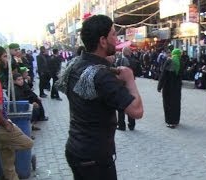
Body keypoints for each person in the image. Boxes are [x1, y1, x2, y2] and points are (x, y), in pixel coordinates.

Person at [57, 15, 143, 180]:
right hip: (95, 160)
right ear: (103, 41)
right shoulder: (101, 76)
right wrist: (130, 79)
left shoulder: (75, 64)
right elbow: (137, 111)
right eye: (113, 34)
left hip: (76, 149)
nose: (116, 38)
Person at [0, 45, 34, 180]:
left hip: (0, 123)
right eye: (5, 57)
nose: (7, 60)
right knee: (27, 143)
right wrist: (6, 124)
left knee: (8, 163)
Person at [157, 48, 182, 128]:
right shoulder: (181, 62)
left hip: (168, 87)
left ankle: (169, 121)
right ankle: (176, 120)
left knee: (168, 103)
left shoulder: (169, 61)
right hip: (177, 87)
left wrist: (159, 86)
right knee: (176, 104)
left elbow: (163, 74)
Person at [116, 46, 137, 131]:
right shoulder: (134, 61)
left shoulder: (120, 61)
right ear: (129, 52)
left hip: (121, 85)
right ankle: (131, 125)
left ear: (123, 52)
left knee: (121, 105)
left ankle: (121, 125)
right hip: (131, 84)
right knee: (131, 103)